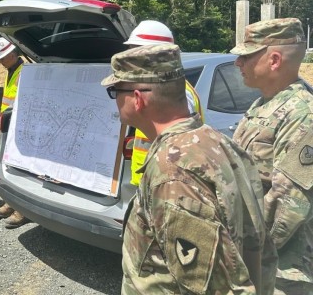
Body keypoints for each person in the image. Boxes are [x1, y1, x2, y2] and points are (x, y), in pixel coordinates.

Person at [102, 43, 277, 294]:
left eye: (115, 91)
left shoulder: (172, 174)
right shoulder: (214, 140)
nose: (115, 100)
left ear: (137, 99)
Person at [231, 17, 313, 294]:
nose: (237, 63)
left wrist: (240, 255)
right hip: (258, 263)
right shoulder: (266, 103)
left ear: (274, 59)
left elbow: (288, 204)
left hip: (282, 273)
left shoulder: (304, 114)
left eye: (245, 56)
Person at [124, 20, 204, 186]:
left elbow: (180, 146)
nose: (130, 58)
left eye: (135, 52)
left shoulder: (179, 93)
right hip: (149, 179)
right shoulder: (150, 89)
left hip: (164, 182)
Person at [0, 38, 28, 228]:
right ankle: (11, 202)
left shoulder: (25, 73)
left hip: (19, 129)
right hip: (8, 126)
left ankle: (22, 210)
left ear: (12, 55)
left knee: (19, 168)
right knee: (7, 167)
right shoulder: (11, 71)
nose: (0, 62)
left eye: (2, 59)